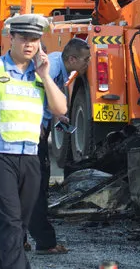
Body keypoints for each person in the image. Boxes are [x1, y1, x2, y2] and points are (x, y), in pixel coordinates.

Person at [0, 14, 67, 269]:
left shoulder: (41, 76)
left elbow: (61, 108)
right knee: (11, 222)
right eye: (24, 38)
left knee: (17, 225)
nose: (29, 44)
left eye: (35, 39)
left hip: (30, 158)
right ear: (11, 38)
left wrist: (46, 76)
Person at [25, 37, 90, 255]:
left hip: (34, 131)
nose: (87, 64)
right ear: (72, 58)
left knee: (28, 187)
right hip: (33, 134)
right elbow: (33, 93)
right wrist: (36, 122)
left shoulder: (58, 69)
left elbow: (47, 97)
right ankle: (44, 242)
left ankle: (19, 237)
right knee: (38, 188)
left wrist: (57, 116)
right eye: (85, 60)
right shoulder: (51, 68)